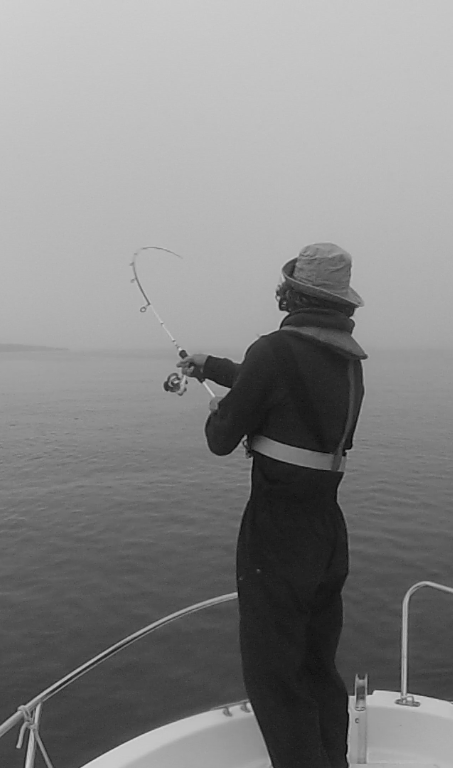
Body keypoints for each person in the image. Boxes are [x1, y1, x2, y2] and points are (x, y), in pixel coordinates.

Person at [178, 243, 366, 768]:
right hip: (328, 533)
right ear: (339, 304)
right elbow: (284, 389)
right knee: (316, 666)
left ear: (294, 291)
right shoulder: (348, 365)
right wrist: (211, 366)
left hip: (277, 536)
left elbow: (223, 436)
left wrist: (221, 410)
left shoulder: (274, 351)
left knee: (274, 675)